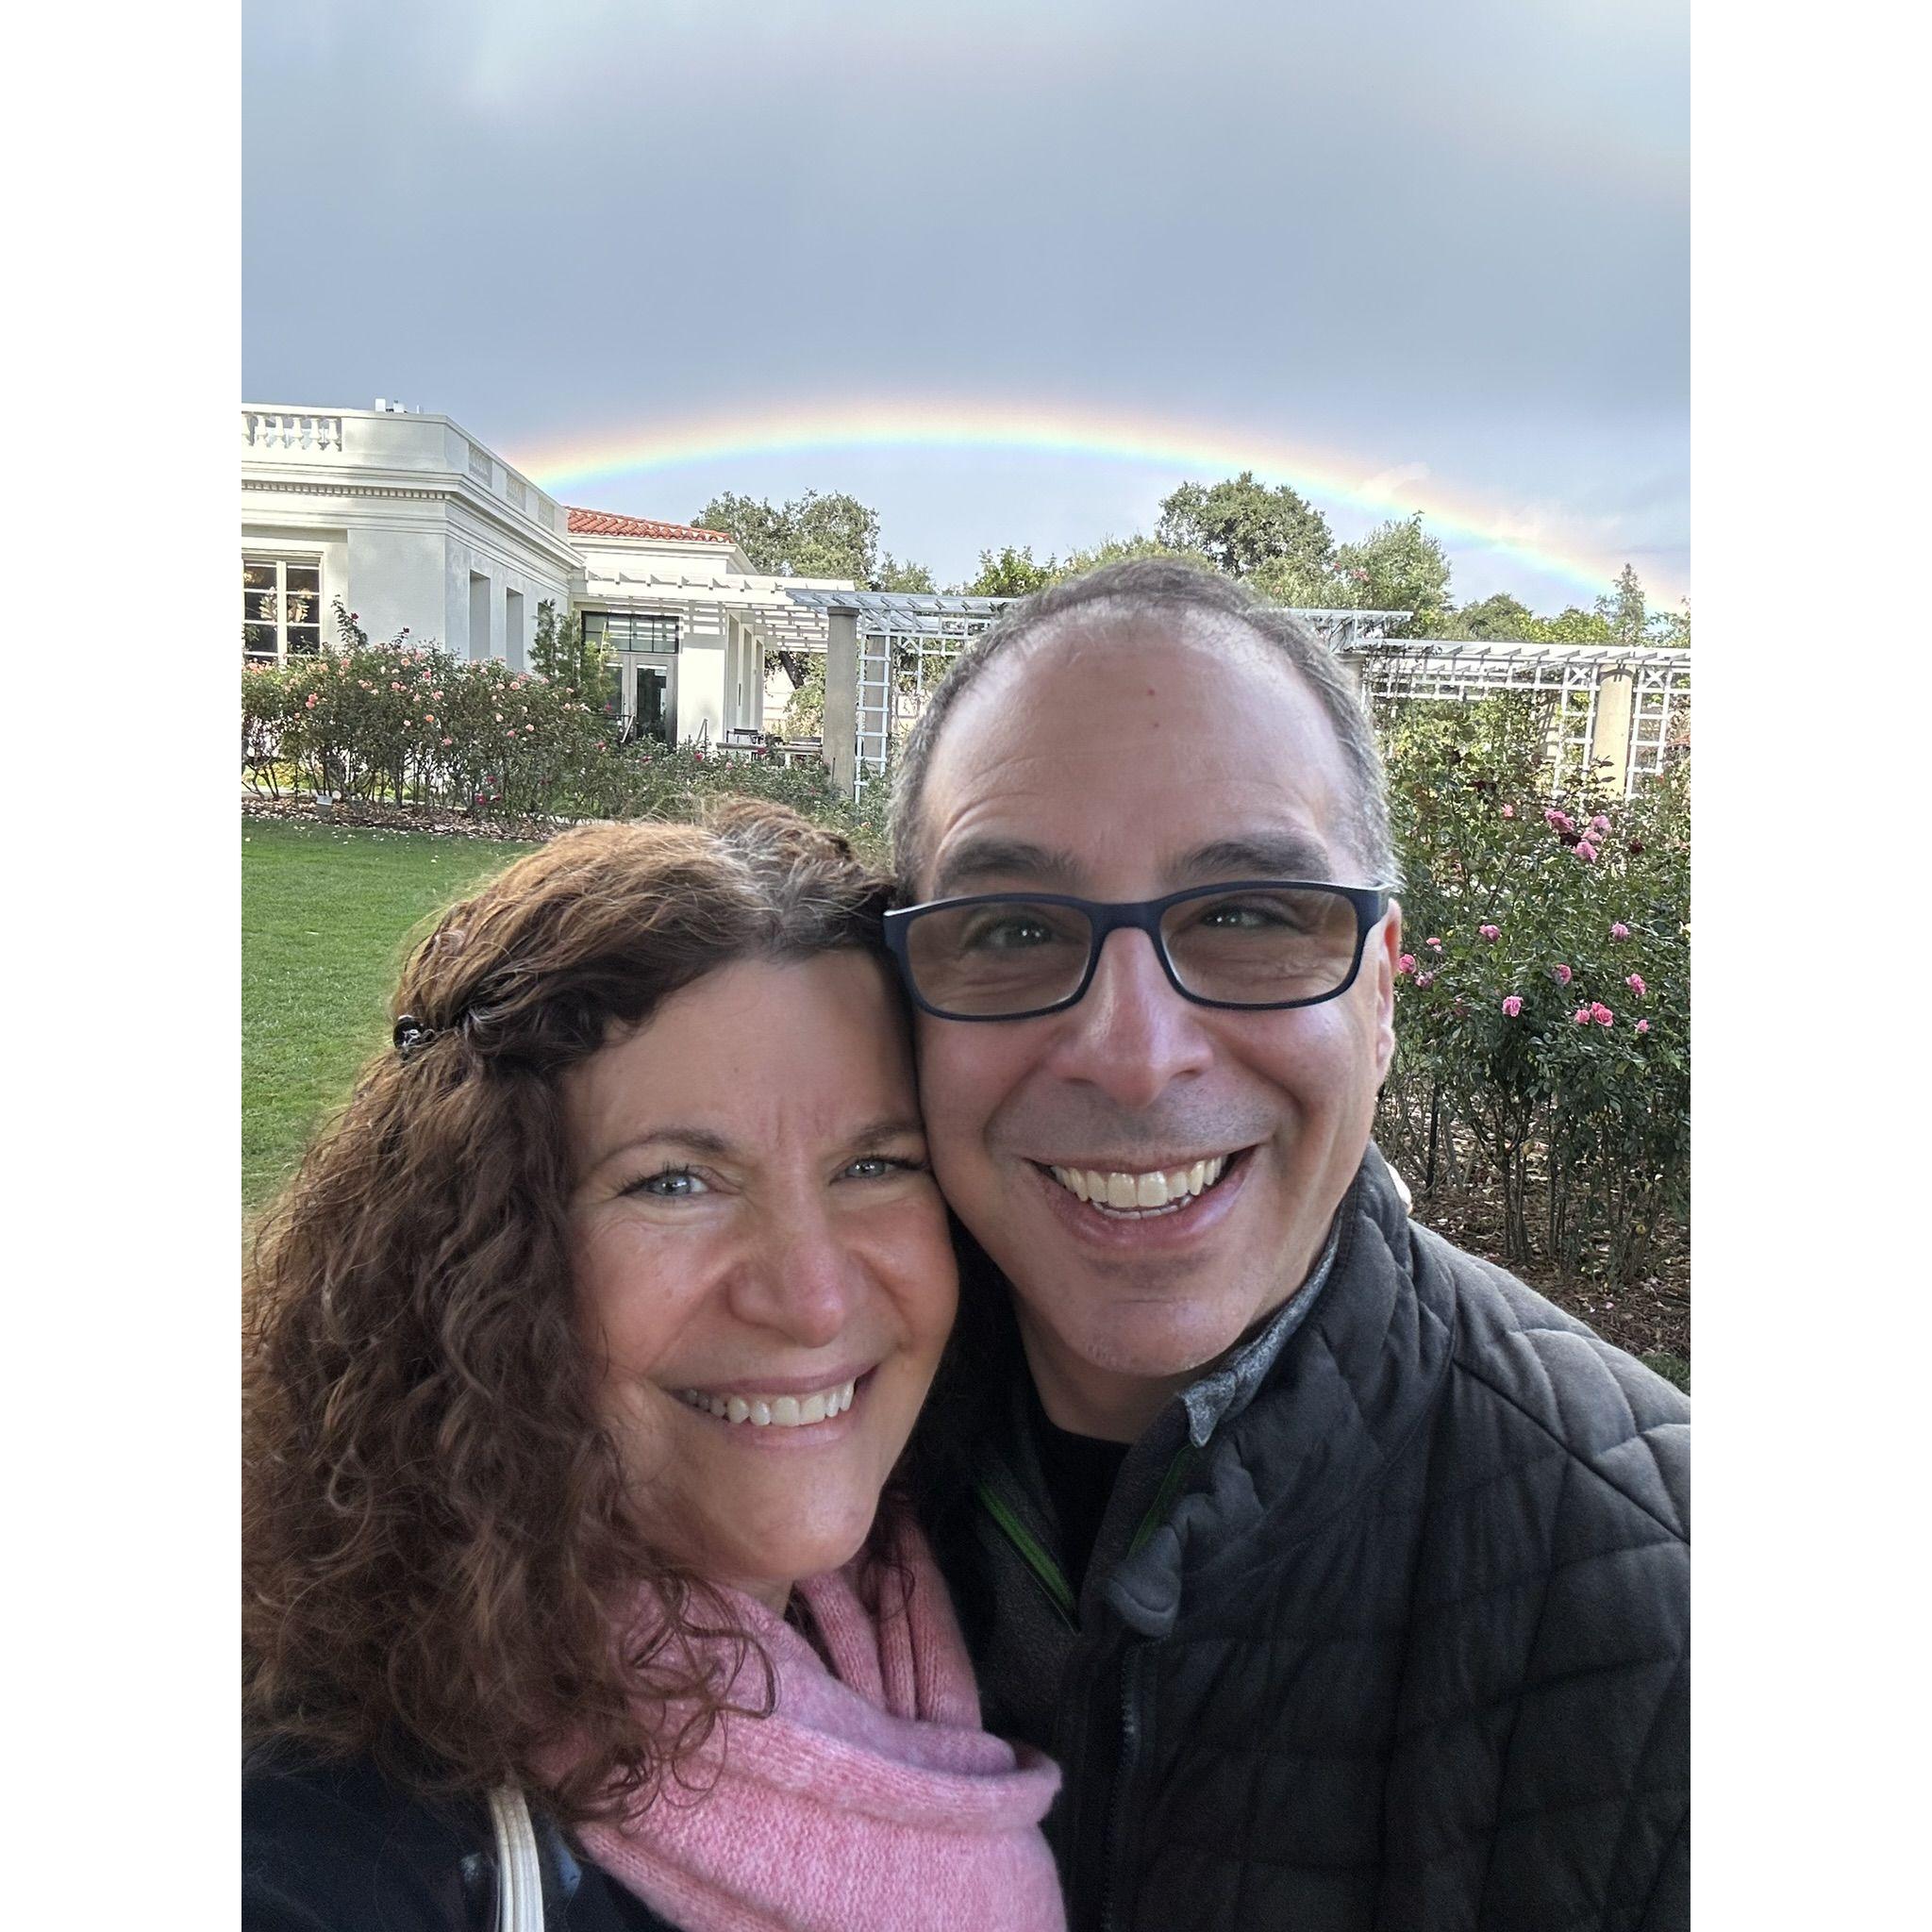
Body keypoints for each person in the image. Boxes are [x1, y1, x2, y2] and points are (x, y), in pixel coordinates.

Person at [887, 560, 1690, 1932]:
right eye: (1014, 928)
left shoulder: (1680, 1613)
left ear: (1380, 995)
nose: (1133, 1056)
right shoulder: (751, 1490)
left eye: (1250, 917)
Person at [242, 805, 1064, 1932]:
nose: (812, 1297)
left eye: (874, 1163)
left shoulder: (958, 1607)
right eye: (675, 1181)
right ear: (475, 1258)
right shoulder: (329, 1844)